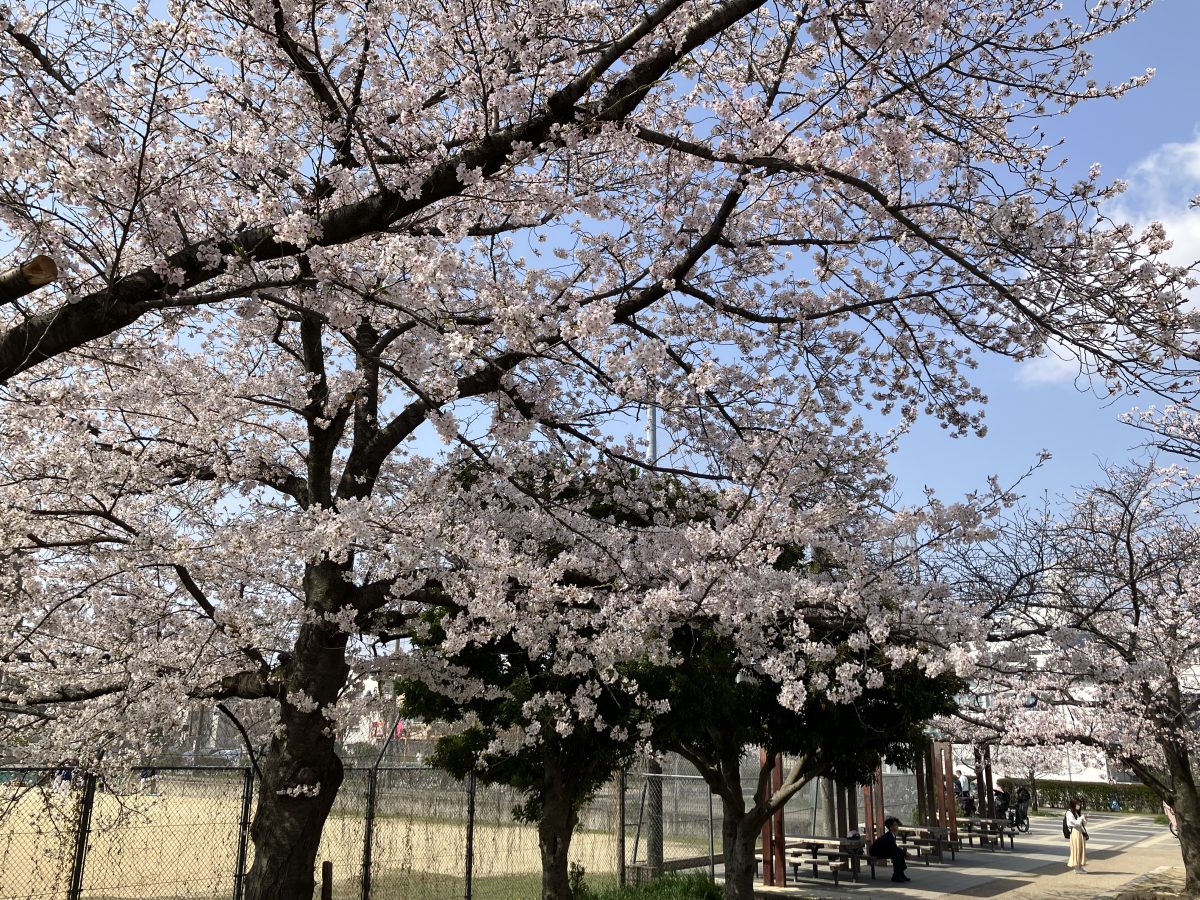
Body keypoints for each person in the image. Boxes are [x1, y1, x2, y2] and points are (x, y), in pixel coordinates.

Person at [868, 816, 910, 883]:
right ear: (891, 827)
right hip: (875, 852)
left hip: (883, 850)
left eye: (897, 824)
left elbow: (893, 848)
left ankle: (900, 874)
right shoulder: (888, 836)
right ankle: (896, 875)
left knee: (898, 853)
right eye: (895, 825)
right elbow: (894, 848)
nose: (897, 826)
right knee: (897, 853)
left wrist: (904, 853)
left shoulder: (891, 834)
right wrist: (905, 853)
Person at [1065, 798, 1088, 873]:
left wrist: (1085, 819)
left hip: (1080, 832)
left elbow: (1082, 824)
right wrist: (1081, 818)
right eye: (1077, 804)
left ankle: (1080, 866)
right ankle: (1076, 867)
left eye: (1079, 804)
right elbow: (1074, 823)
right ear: (1073, 804)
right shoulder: (1069, 813)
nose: (1079, 805)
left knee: (1081, 849)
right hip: (1075, 832)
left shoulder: (1076, 812)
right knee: (1076, 849)